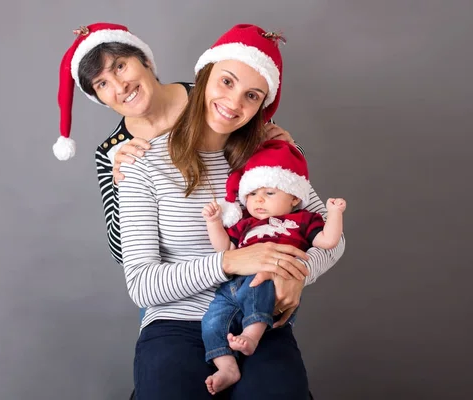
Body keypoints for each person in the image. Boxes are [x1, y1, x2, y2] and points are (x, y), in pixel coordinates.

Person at [54, 22, 346, 399]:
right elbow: (138, 275)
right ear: (205, 78)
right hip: (175, 319)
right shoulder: (130, 160)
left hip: (254, 317)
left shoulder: (267, 156)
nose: (234, 103)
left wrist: (295, 271)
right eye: (226, 83)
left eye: (252, 96)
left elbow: (327, 236)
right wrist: (232, 261)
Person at [201, 139, 347, 394]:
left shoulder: (302, 220)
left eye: (269, 193)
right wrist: (214, 222)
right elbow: (225, 250)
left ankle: (252, 336)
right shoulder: (246, 223)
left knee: (262, 286)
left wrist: (334, 214)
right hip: (231, 286)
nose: (259, 200)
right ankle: (226, 366)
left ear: (293, 198)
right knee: (212, 320)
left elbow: (328, 241)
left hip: (270, 281)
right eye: (253, 194)